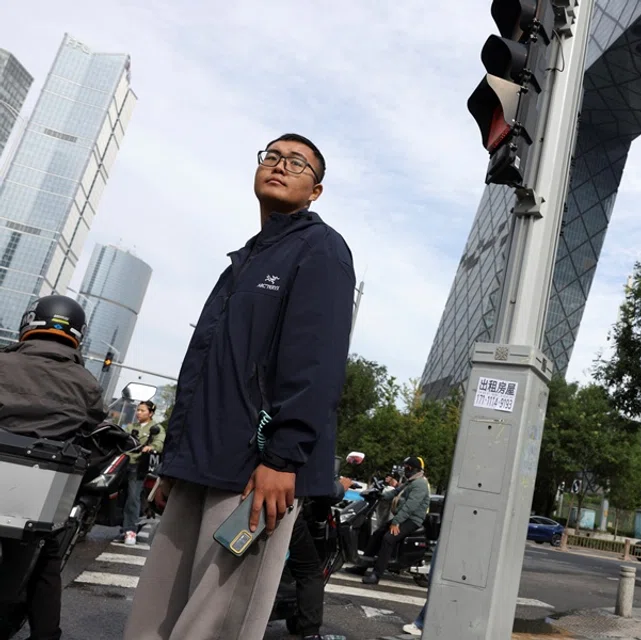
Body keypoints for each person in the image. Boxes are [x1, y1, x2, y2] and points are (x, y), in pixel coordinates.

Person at [123, 133, 355, 640]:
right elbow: (202, 370)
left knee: (215, 624)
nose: (279, 165)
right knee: (153, 618)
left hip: (257, 473)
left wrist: (283, 457)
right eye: (271, 156)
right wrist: (173, 463)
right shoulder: (245, 260)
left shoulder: (322, 249)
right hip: (197, 464)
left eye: (297, 163)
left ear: (315, 190)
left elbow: (316, 362)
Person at [0, 295, 107, 640]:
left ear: (29, 322)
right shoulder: (88, 384)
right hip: (37, 502)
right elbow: (92, 427)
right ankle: (45, 635)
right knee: (48, 552)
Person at [281, 474, 352, 639]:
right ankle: (310, 633)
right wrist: (341, 486)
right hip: (285, 509)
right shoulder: (293, 451)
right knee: (310, 571)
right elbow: (322, 488)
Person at [361, 456, 430, 585]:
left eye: (407, 468)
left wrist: (396, 522)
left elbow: (410, 507)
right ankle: (362, 566)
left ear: (414, 469)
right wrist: (380, 495)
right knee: (377, 534)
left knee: (388, 538)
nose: (405, 470)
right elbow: (394, 493)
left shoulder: (420, 484)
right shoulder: (410, 482)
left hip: (412, 520)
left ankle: (376, 574)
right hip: (403, 517)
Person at [118, 400, 165, 545]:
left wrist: (150, 447)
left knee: (133, 497)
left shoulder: (156, 428)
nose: (138, 413)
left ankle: (130, 531)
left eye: (142, 410)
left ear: (150, 413)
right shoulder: (131, 426)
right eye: (138, 410)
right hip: (123, 463)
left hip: (138, 467)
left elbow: (159, 443)